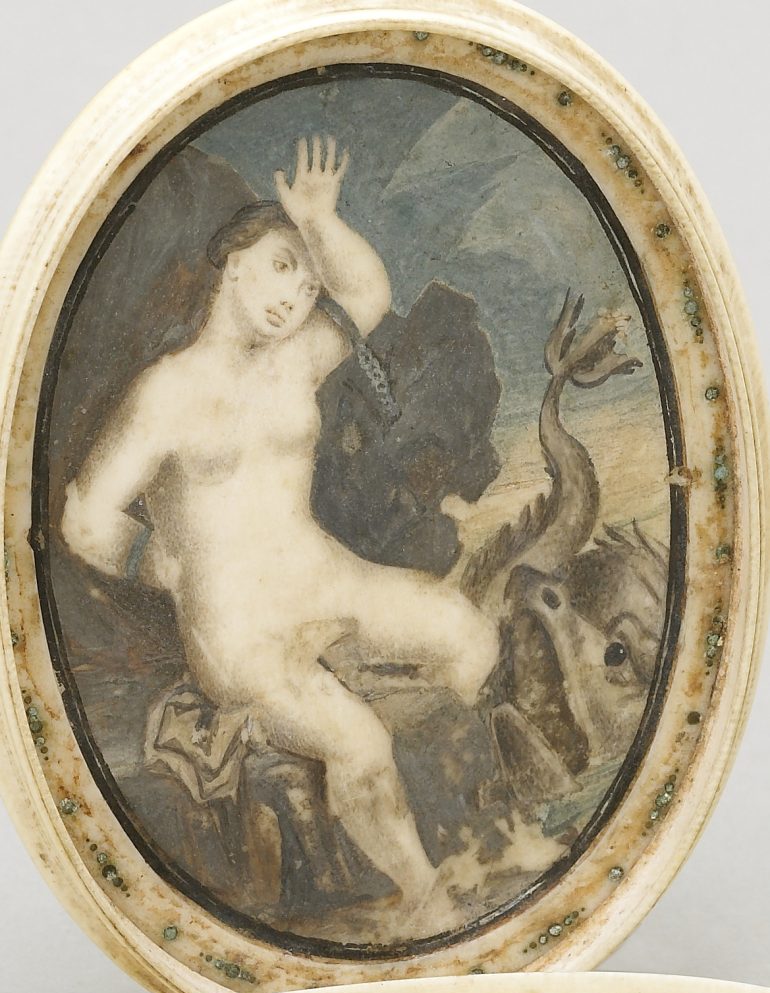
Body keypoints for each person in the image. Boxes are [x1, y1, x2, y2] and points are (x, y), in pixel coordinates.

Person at [60, 135, 500, 910]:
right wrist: (157, 562)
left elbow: (366, 295)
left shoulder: (296, 359)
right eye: (281, 263)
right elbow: (85, 518)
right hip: (239, 627)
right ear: (233, 263)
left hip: (324, 578)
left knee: (470, 634)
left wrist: (319, 223)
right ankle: (424, 900)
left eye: (305, 279)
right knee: (359, 743)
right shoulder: (165, 392)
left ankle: (475, 819)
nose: (295, 293)